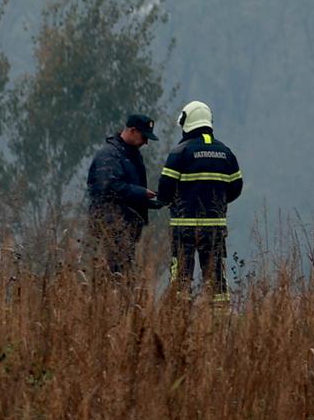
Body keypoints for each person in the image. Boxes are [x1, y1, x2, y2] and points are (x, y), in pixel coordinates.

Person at [157, 101, 243, 303]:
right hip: (215, 228)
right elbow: (236, 187)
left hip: (184, 229)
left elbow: (165, 190)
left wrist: (166, 201)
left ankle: (178, 322)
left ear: (187, 122)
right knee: (216, 280)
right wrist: (218, 203)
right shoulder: (226, 153)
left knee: (181, 280)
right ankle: (220, 323)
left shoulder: (179, 153)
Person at [85, 114, 160, 275]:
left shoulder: (131, 156)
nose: (146, 142)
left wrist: (149, 202)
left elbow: (125, 193)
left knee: (125, 277)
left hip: (126, 229)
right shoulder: (109, 155)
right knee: (116, 277)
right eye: (144, 136)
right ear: (132, 131)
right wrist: (141, 192)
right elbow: (108, 186)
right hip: (111, 228)